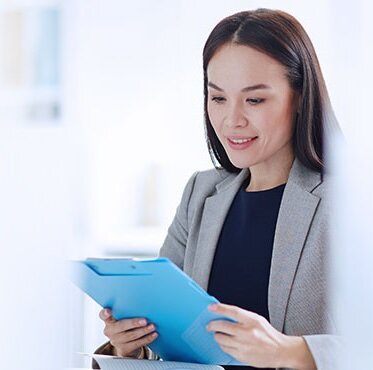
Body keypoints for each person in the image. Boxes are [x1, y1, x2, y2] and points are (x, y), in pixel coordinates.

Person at [94, 8, 341, 370]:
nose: (232, 119)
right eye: (219, 98)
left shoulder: (347, 203)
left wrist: (289, 351)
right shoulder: (200, 195)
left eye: (254, 99)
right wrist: (130, 346)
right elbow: (167, 341)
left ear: (301, 96)